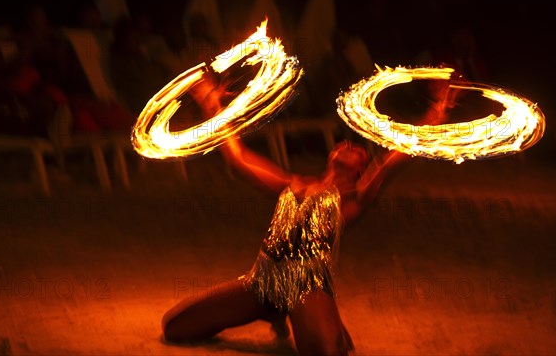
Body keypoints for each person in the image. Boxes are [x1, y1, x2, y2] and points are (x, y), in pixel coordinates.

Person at [159, 75, 455, 355]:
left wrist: (435, 114)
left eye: (357, 147)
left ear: (361, 169)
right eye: (345, 141)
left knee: (328, 353)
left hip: (306, 286)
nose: (347, 143)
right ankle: (271, 308)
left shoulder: (356, 197)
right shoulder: (293, 183)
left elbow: (398, 156)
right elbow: (238, 162)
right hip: (262, 279)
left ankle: (322, 319)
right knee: (174, 327)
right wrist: (213, 105)